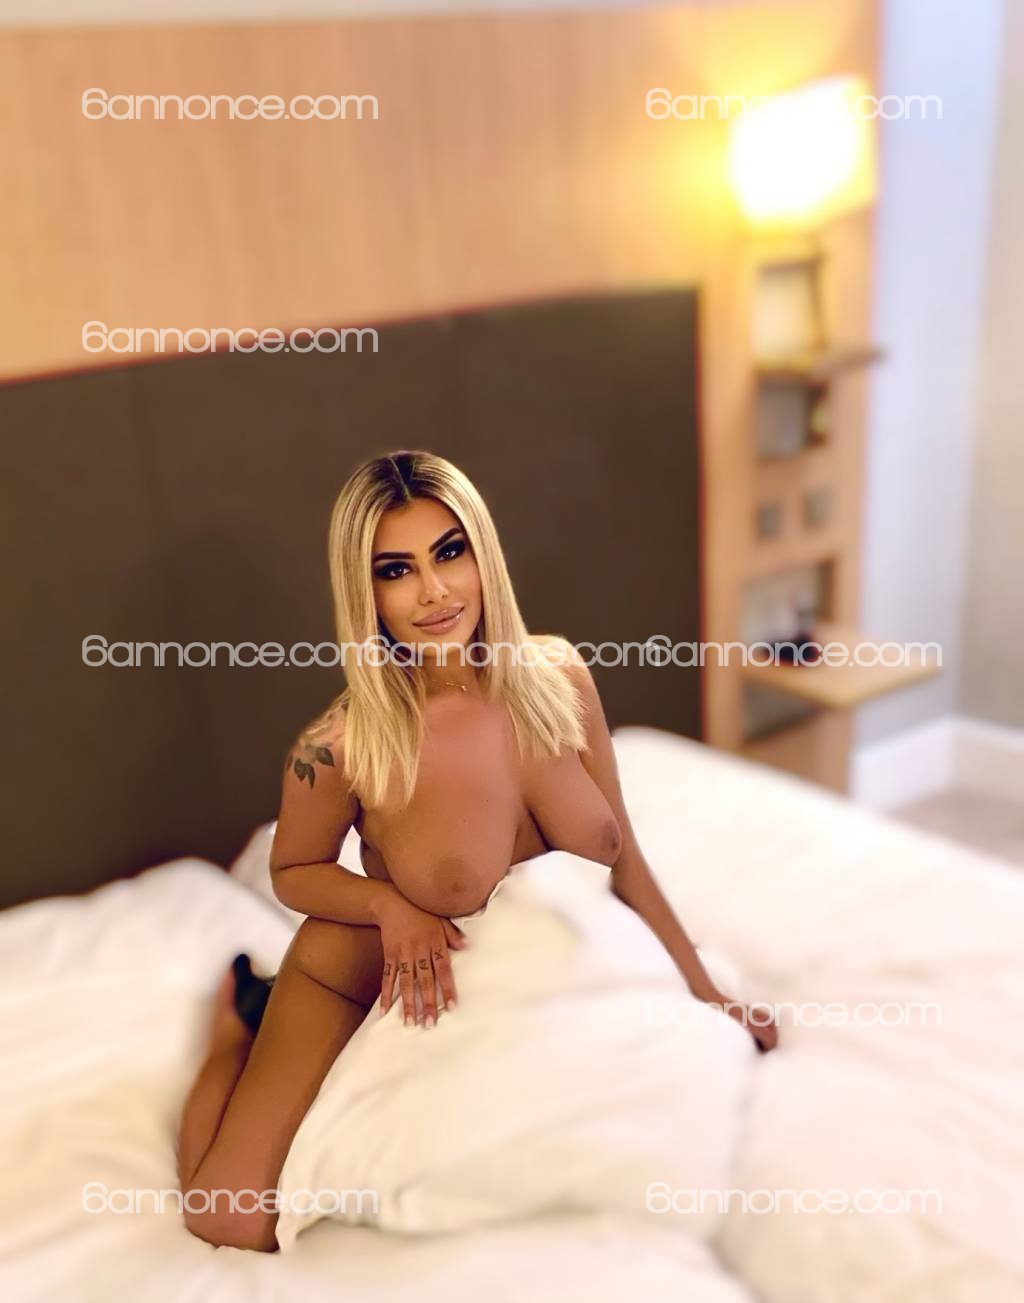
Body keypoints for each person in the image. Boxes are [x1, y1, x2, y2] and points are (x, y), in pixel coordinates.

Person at [176, 449, 777, 1252]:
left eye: (449, 552)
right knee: (229, 1218)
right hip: (364, 964)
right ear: (365, 593)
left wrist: (705, 989)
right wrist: (387, 903)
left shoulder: (561, 675)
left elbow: (622, 854)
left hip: (541, 981)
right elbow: (291, 870)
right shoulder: (340, 744)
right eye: (397, 570)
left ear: (482, 552)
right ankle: (237, 1033)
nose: (434, 591)